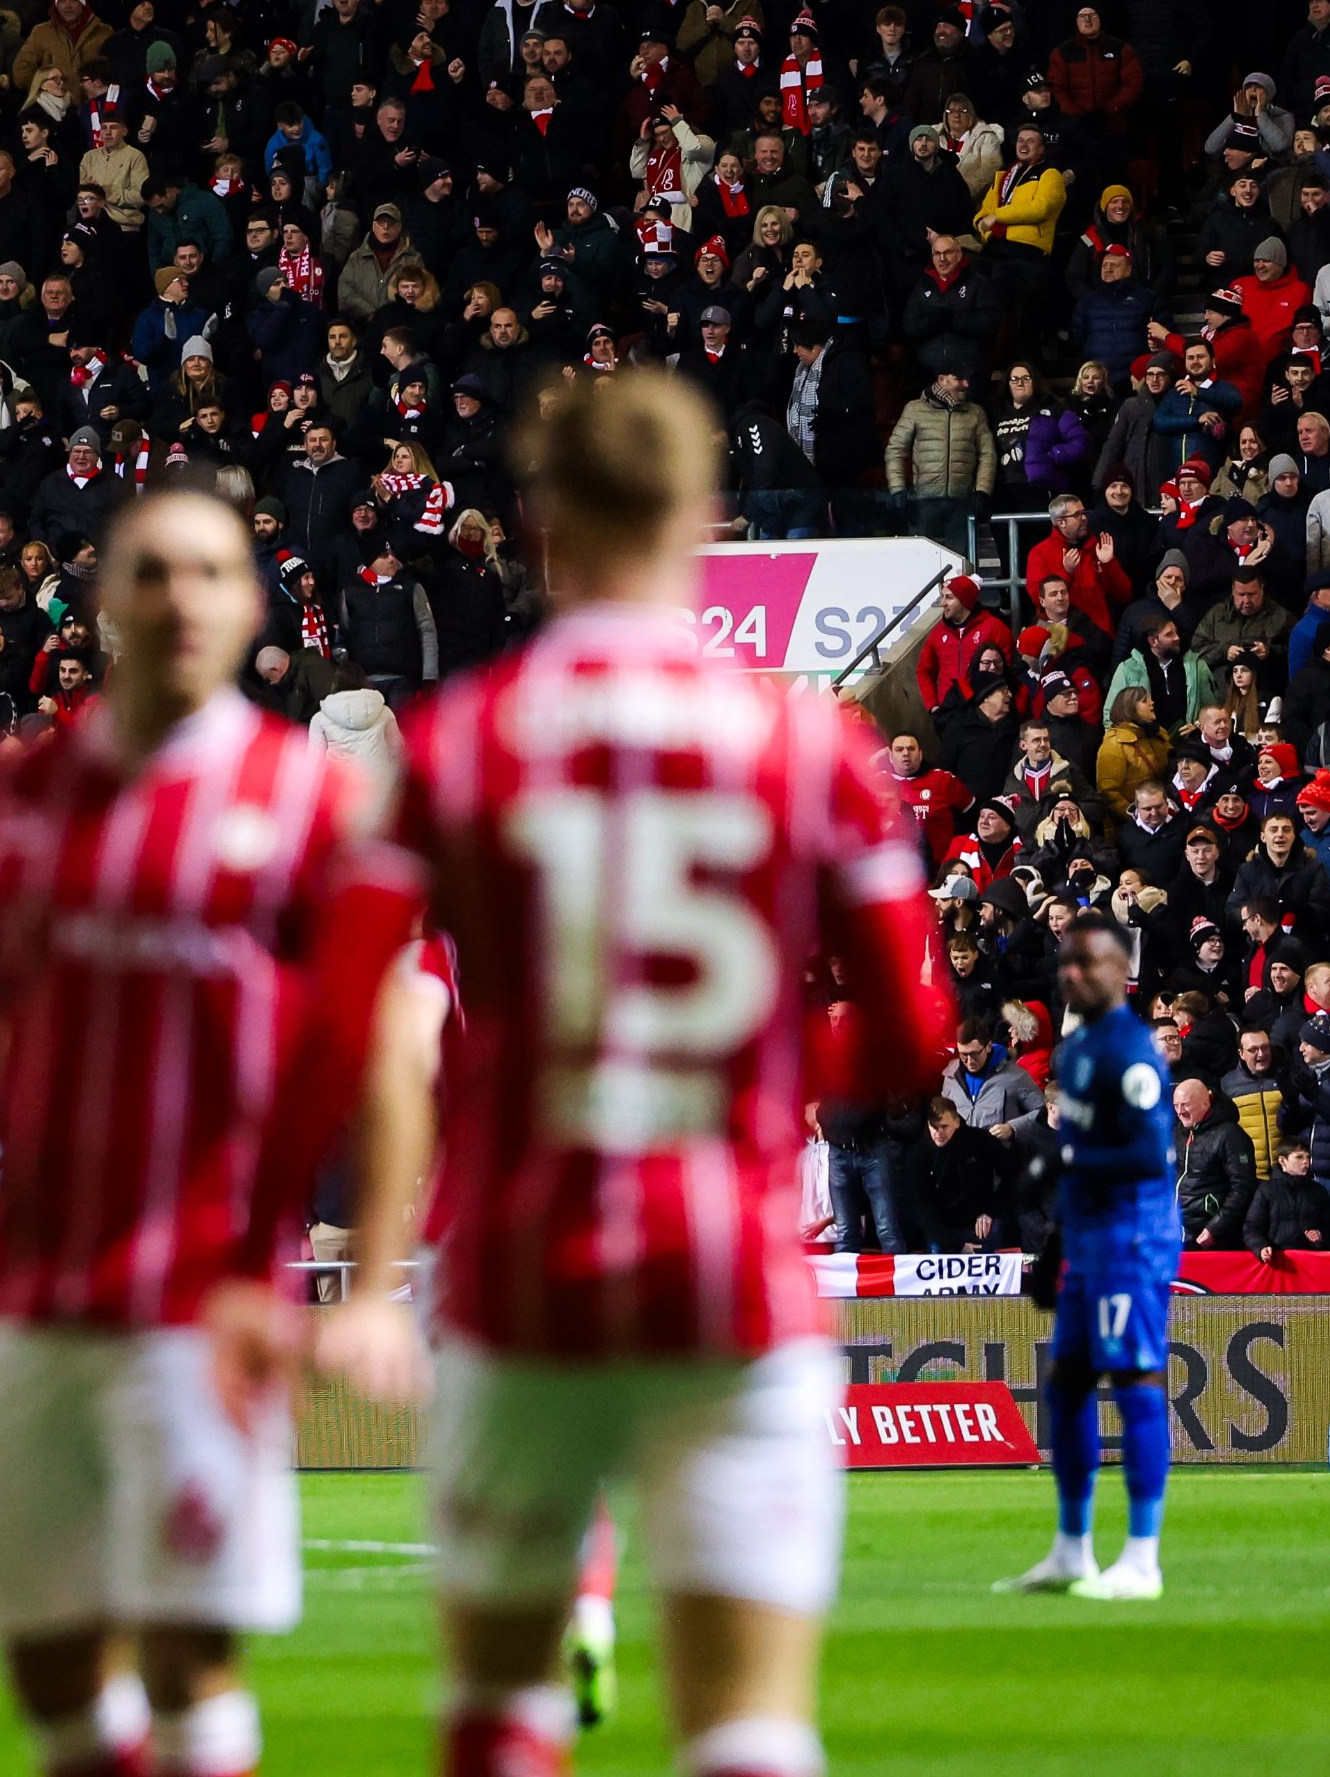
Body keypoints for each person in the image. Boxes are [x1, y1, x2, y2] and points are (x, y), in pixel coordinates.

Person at [308, 370, 951, 1777]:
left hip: (516, 1269)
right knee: (751, 1727)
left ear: (541, 533)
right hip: (730, 1277)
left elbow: (346, 1005)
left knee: (501, 1714)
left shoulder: (459, 746)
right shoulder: (806, 744)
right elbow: (912, 1034)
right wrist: (762, 1066)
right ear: (702, 522)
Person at [0, 484, 411, 1777]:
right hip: (29, 1287)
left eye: (212, 571)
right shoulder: (20, 791)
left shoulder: (308, 803)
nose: (182, 597)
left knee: (189, 1649)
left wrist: (378, 1282)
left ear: (250, 602)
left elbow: (384, 1051)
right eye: (154, 572)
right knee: (50, 1653)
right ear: (109, 601)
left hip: (203, 1297)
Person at [999, 913, 1181, 1601]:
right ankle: (1072, 1549)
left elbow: (1146, 1153)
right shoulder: (1074, 1050)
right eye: (1068, 961)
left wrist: (1064, 1159)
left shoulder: (1131, 1050)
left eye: (1092, 962)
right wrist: (1057, 1246)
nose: (1076, 972)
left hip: (1133, 1237)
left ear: (1120, 971)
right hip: (1089, 1235)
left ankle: (1142, 1557)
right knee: (1067, 1383)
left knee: (1134, 1380)